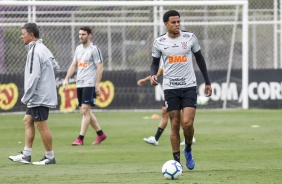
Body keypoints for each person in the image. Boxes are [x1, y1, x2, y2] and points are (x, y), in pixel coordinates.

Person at [150, 10, 212, 170]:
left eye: (178, 21)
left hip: (189, 86)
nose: (177, 24)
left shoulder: (190, 38)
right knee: (175, 124)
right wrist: (152, 75)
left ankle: (188, 149)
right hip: (171, 88)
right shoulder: (159, 42)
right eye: (173, 22)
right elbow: (155, 63)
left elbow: (200, 59)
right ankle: (176, 162)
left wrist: (207, 81)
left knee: (187, 123)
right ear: (166, 24)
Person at [8, 23, 60, 165]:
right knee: (27, 120)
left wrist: (27, 96)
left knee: (41, 125)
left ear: (31, 35)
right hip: (41, 93)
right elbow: (56, 67)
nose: (21, 36)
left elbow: (34, 76)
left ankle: (50, 157)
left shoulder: (34, 51)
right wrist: (47, 81)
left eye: (23, 34)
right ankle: (26, 155)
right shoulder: (44, 48)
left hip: (38, 96)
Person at [63, 26, 106, 146]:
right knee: (85, 111)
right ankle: (100, 134)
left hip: (89, 83)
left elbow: (100, 68)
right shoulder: (78, 49)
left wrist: (96, 84)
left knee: (85, 110)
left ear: (89, 35)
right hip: (80, 83)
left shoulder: (94, 49)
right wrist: (66, 79)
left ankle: (80, 138)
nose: (80, 36)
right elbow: (73, 65)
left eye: (83, 34)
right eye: (79, 34)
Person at [137, 67, 196, 146]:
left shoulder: (179, 66)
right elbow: (155, 75)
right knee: (166, 112)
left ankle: (189, 137)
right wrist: (144, 80)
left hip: (178, 93)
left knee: (175, 115)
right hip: (170, 94)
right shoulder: (164, 67)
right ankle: (156, 138)